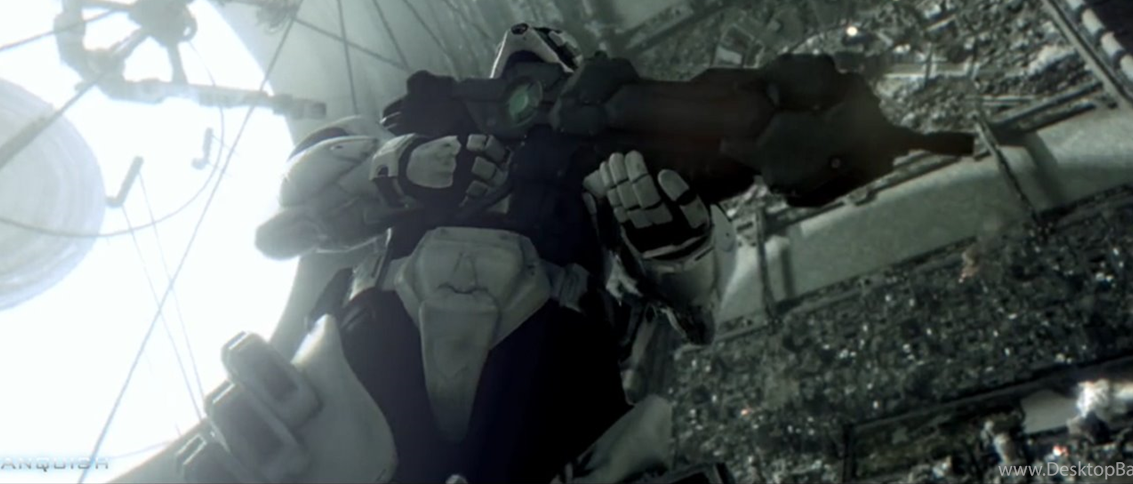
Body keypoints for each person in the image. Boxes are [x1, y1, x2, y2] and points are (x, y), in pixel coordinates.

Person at [175, 24, 736, 484]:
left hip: (534, 351)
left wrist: (678, 241)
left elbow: (698, 305)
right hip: (420, 341)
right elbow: (286, 229)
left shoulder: (610, 168)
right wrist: (399, 168)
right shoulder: (412, 132)